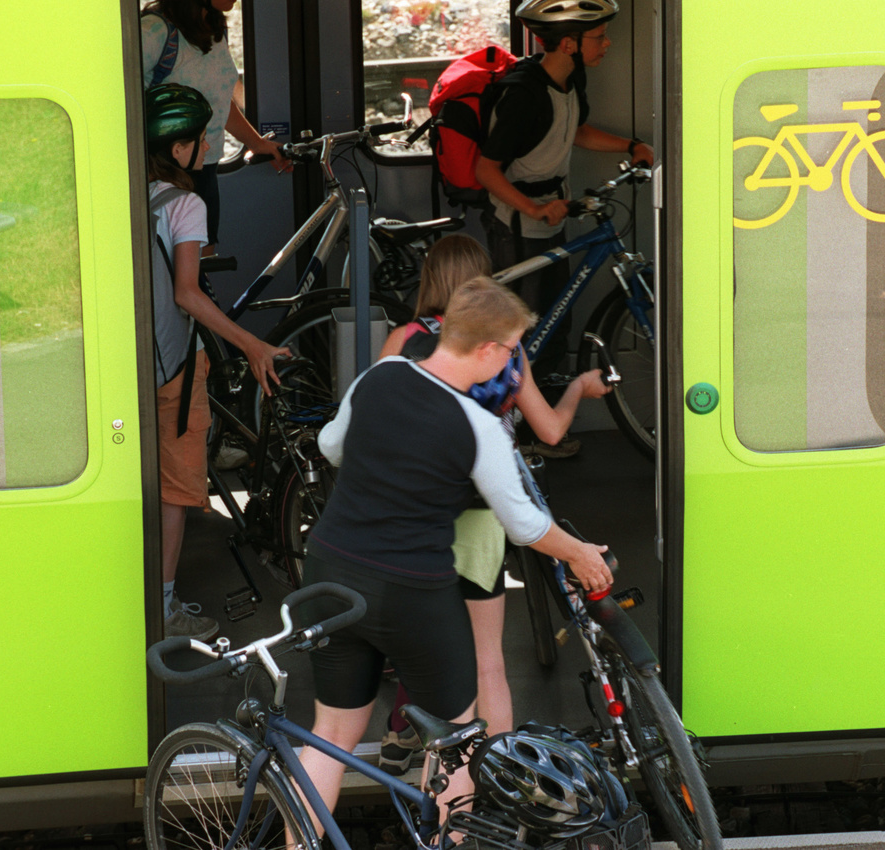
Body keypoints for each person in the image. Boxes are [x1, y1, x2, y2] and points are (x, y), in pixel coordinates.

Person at [297, 277, 615, 829]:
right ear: (488, 350)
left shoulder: (383, 374)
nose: (513, 361)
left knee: (330, 736)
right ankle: (448, 841)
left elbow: (330, 447)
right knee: (457, 741)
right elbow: (524, 525)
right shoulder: (479, 426)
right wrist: (581, 553)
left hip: (329, 573)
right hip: (410, 591)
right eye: (513, 348)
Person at [373, 235, 612, 773]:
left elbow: (374, 425)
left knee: (423, 644)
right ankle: (502, 782)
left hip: (414, 520)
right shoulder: (505, 346)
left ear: (429, 279)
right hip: (482, 516)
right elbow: (549, 430)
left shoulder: (404, 339)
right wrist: (577, 387)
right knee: (488, 664)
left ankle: (406, 735)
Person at [145, 83, 288, 639]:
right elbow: (187, 292)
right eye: (201, 138)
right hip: (175, 367)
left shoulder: (124, 195)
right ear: (179, 149)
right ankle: (162, 608)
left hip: (127, 368)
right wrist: (252, 344)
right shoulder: (185, 204)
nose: (205, 147)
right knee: (178, 488)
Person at [475, 0, 654, 388]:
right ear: (569, 44)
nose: (607, 44)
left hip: (550, 211)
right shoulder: (524, 95)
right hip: (517, 221)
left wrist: (632, 145)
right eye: (599, 37)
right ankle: (516, 428)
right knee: (522, 326)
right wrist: (535, 209)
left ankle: (544, 414)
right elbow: (485, 170)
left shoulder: (570, 79)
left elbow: (574, 129)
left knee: (553, 317)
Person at [140, 0, 289, 254]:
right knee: (174, 274)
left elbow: (218, 99)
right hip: (163, 173)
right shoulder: (154, 33)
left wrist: (256, 143)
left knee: (203, 267)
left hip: (204, 167)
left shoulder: (213, 29)